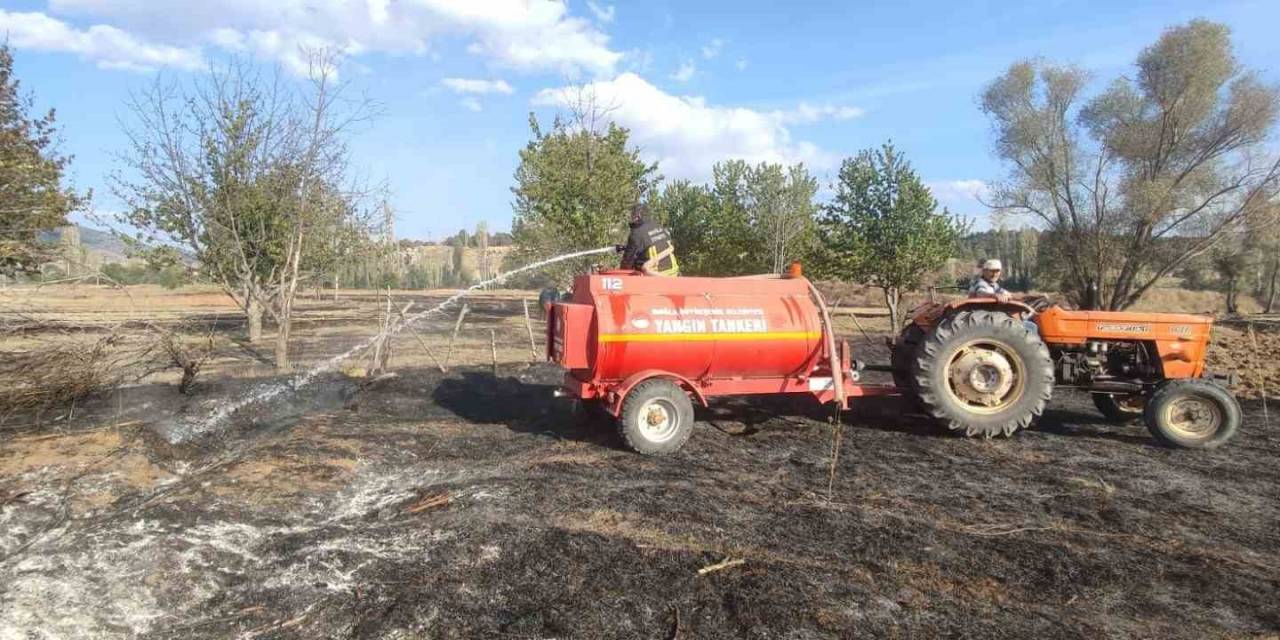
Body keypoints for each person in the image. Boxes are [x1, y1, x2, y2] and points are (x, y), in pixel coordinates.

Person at [618, 203, 680, 277]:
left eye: (632, 215)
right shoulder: (658, 226)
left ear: (638, 216)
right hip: (674, 274)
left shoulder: (636, 233)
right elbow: (652, 242)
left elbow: (627, 263)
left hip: (657, 278)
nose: (631, 218)